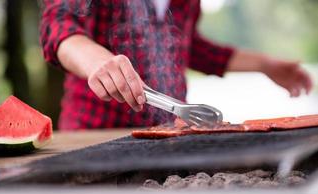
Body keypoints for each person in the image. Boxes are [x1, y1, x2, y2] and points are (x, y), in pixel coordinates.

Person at [40, 0, 313, 130]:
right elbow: (57, 23)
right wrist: (95, 61)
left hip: (169, 132)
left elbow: (189, 47)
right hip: (95, 132)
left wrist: (264, 64)